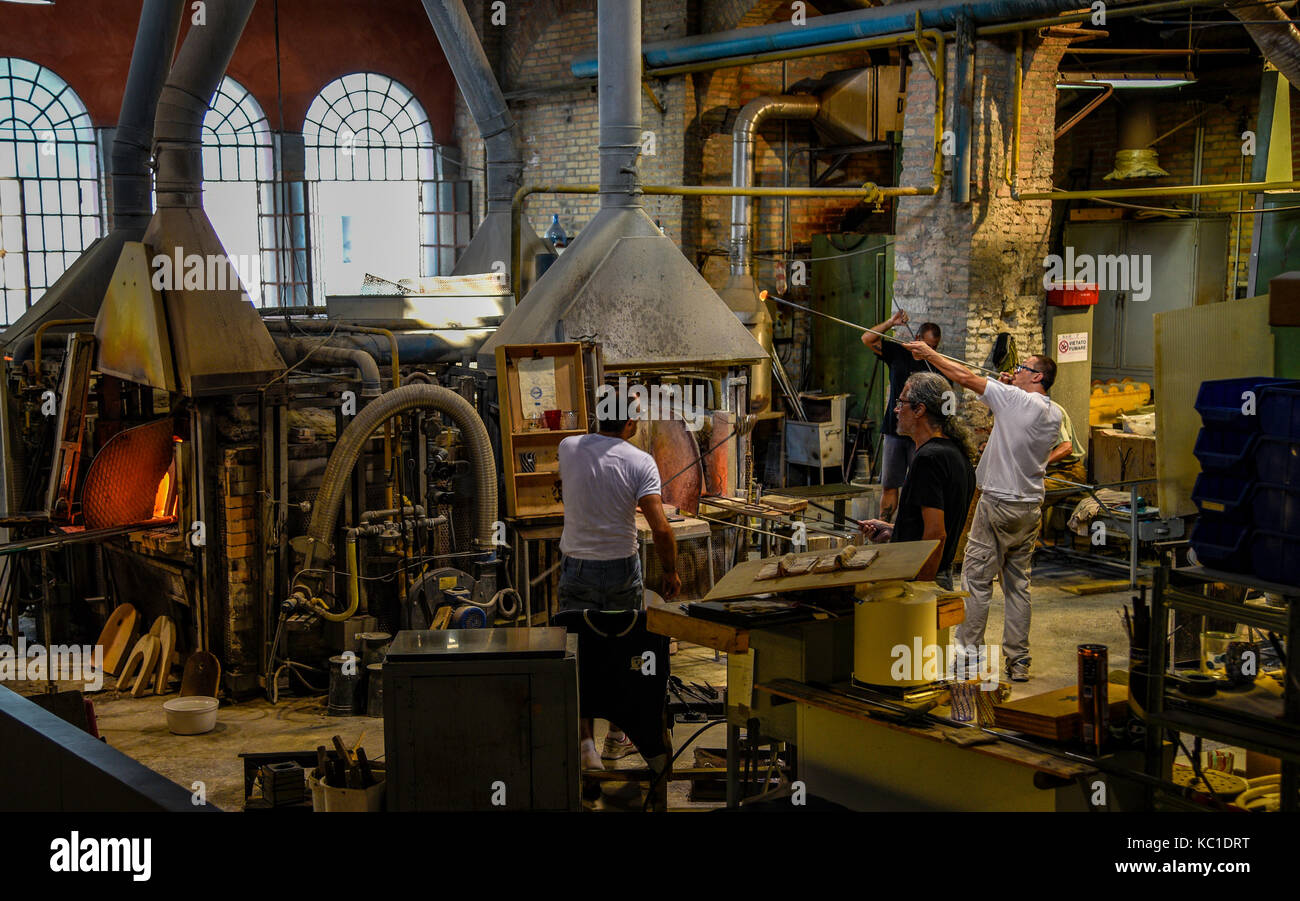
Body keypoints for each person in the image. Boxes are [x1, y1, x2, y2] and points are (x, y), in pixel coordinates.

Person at [903, 342, 1062, 683]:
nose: (1016, 371)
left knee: (976, 581)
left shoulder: (1016, 400)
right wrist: (1008, 388)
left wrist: (928, 354)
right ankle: (1019, 662)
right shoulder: (1053, 412)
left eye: (1023, 369)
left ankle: (967, 658)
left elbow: (965, 377)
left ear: (1037, 377)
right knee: (1019, 585)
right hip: (1030, 506)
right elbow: (1014, 412)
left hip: (999, 502)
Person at [557, 389, 680, 771]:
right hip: (622, 569)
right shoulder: (641, 462)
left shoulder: (568, 447)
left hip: (577, 567)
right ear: (629, 423)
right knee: (623, 652)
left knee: (580, 652)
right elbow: (661, 529)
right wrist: (671, 571)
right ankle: (616, 736)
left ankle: (585, 747)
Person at [858, 372, 975, 590]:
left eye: (901, 403)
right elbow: (935, 523)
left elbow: (936, 534)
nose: (896, 410)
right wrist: (896, 530)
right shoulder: (955, 452)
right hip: (940, 572)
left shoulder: (929, 459)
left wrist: (921, 589)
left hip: (925, 575)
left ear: (919, 409)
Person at [862, 311, 941, 521]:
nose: (930, 351)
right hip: (894, 430)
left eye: (934, 348)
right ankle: (882, 527)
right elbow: (867, 338)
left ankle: (912, 533)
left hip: (920, 436)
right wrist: (891, 322)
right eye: (927, 345)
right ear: (917, 339)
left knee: (920, 487)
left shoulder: (936, 365)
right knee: (889, 485)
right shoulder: (898, 353)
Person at [1046, 400, 1086, 485]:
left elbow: (1066, 448)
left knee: (1030, 493)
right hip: (1046, 470)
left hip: (1066, 470)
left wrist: (1037, 465)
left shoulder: (1048, 410)